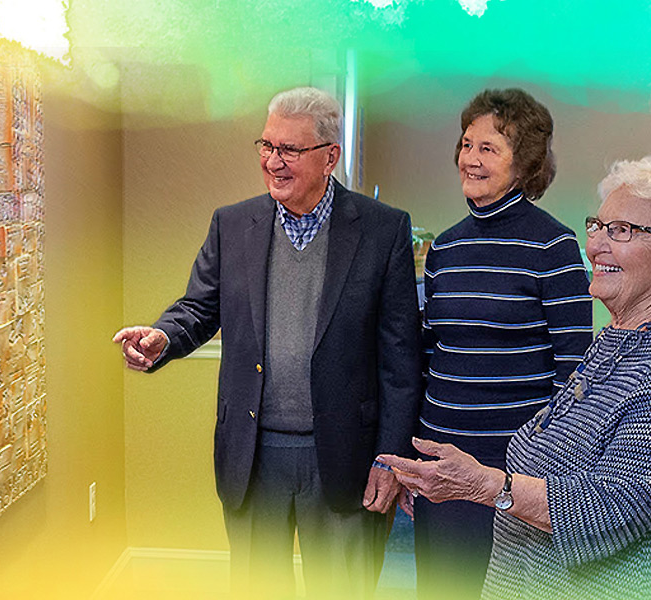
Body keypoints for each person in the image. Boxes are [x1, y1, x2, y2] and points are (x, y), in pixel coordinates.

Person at [380, 156, 651, 600]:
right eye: (598, 226)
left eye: (621, 230)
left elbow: (613, 509)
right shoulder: (616, 340)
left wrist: (488, 484)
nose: (596, 246)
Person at [111, 86, 421, 599]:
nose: (273, 162)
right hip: (253, 455)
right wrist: (163, 336)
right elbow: (200, 307)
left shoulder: (382, 230)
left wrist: (391, 456)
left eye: (290, 150)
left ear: (330, 157)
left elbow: (400, 359)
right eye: (266, 146)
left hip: (344, 457)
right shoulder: (232, 224)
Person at [411, 88, 591, 600]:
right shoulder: (444, 247)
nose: (469, 158)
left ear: (525, 161)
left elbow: (576, 370)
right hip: (440, 458)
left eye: (488, 148)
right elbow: (430, 356)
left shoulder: (553, 245)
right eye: (466, 144)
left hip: (510, 470)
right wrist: (417, 460)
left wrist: (544, 469)